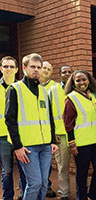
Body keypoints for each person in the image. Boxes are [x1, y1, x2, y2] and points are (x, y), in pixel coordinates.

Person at [5, 53, 59, 200]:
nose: (36, 70)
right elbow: (10, 120)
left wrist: (52, 141)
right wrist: (17, 147)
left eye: (39, 67)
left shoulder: (43, 91)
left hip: (45, 147)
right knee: (34, 183)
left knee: (42, 184)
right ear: (24, 68)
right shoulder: (15, 89)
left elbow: (50, 118)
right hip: (28, 147)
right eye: (33, 67)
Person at [63, 70, 96, 200]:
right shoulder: (71, 99)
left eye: (84, 79)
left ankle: (92, 196)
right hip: (82, 144)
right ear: (73, 83)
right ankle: (81, 197)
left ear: (89, 80)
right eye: (78, 80)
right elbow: (68, 124)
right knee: (82, 173)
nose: (81, 82)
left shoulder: (92, 96)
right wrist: (72, 144)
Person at [0, 56, 26, 200]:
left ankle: (23, 195)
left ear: (17, 69)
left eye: (11, 66)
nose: (8, 69)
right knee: (7, 171)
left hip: (20, 135)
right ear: (1, 68)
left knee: (23, 169)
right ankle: (8, 197)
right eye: (5, 66)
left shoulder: (21, 88)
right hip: (2, 137)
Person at [49, 65, 72, 200]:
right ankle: (64, 193)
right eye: (64, 72)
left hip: (78, 134)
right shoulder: (53, 90)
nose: (67, 74)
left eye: (70, 72)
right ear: (60, 75)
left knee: (82, 165)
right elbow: (49, 115)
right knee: (62, 166)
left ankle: (82, 191)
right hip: (61, 135)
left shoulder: (78, 88)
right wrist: (53, 136)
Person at [39, 60, 57, 198]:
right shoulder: (30, 86)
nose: (45, 70)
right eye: (43, 67)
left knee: (47, 162)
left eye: (48, 69)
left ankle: (47, 185)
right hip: (33, 131)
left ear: (51, 72)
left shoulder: (55, 87)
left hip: (48, 130)